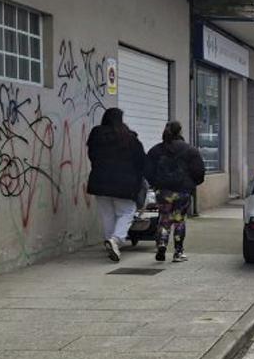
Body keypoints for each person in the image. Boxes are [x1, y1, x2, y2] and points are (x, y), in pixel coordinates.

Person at [86, 107, 146, 262]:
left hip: (100, 181)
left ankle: (110, 242)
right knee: (127, 211)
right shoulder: (129, 137)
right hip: (124, 183)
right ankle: (116, 240)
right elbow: (141, 160)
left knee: (107, 214)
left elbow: (91, 155)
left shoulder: (96, 134)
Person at [144, 121, 206, 263]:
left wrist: (156, 184)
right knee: (179, 219)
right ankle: (178, 252)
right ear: (180, 131)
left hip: (163, 191)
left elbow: (147, 170)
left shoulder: (156, 150)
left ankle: (162, 244)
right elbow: (199, 172)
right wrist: (192, 184)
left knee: (164, 217)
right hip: (183, 191)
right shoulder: (190, 150)